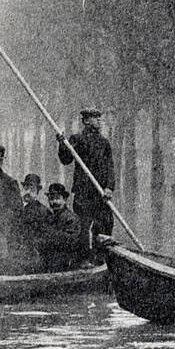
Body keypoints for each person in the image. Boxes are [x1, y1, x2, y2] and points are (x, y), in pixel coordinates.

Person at [57, 108, 115, 249]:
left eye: (99, 117)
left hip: (101, 193)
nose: (99, 120)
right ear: (86, 120)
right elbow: (66, 160)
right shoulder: (77, 139)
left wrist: (109, 187)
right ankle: (83, 259)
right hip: (84, 193)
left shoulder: (104, 142)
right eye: (95, 117)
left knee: (105, 224)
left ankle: (102, 257)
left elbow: (110, 168)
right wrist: (62, 145)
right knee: (83, 227)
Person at [37, 182, 85, 272]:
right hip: (50, 261)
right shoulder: (49, 217)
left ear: (65, 199)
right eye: (51, 199)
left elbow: (70, 241)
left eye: (57, 198)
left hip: (67, 263)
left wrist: (50, 235)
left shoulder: (71, 218)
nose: (54, 202)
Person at [16, 173, 49, 250]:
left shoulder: (43, 211)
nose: (28, 192)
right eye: (26, 188)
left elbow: (44, 237)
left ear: (37, 192)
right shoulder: (14, 207)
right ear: (22, 189)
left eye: (32, 189)